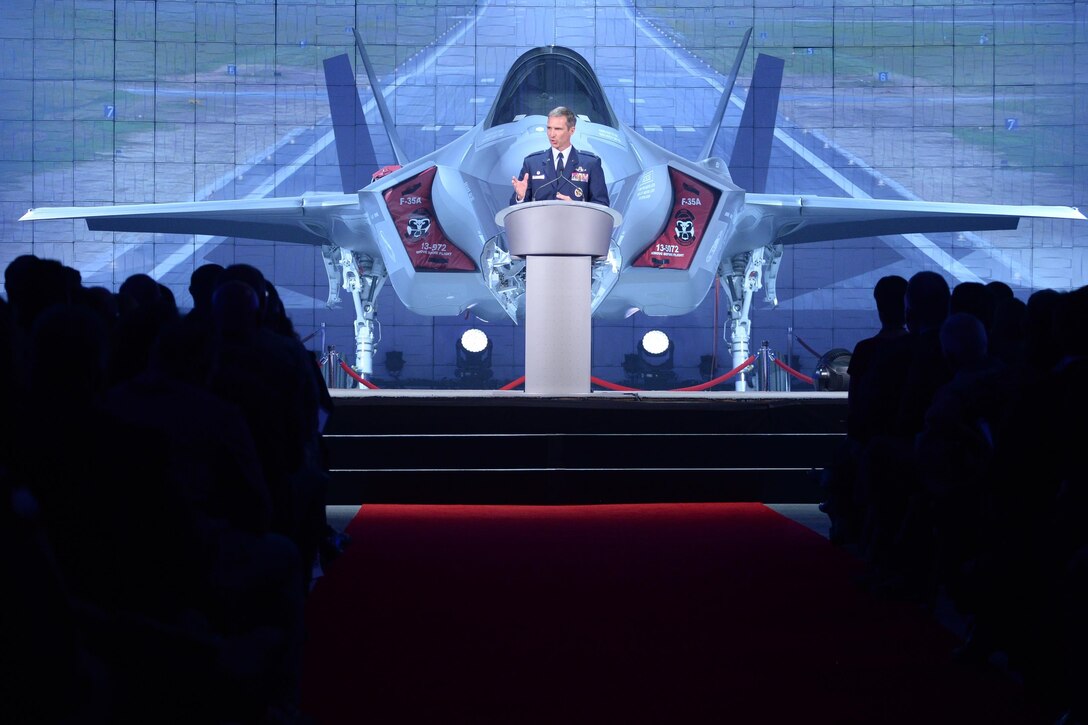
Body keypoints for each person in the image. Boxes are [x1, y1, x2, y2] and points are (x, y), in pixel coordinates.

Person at [510, 106, 609, 206]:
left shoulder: (590, 164)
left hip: (576, 221)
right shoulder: (532, 163)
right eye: (549, 128)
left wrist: (577, 208)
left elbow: (602, 205)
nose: (551, 134)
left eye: (557, 129)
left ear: (572, 130)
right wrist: (521, 197)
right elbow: (515, 209)